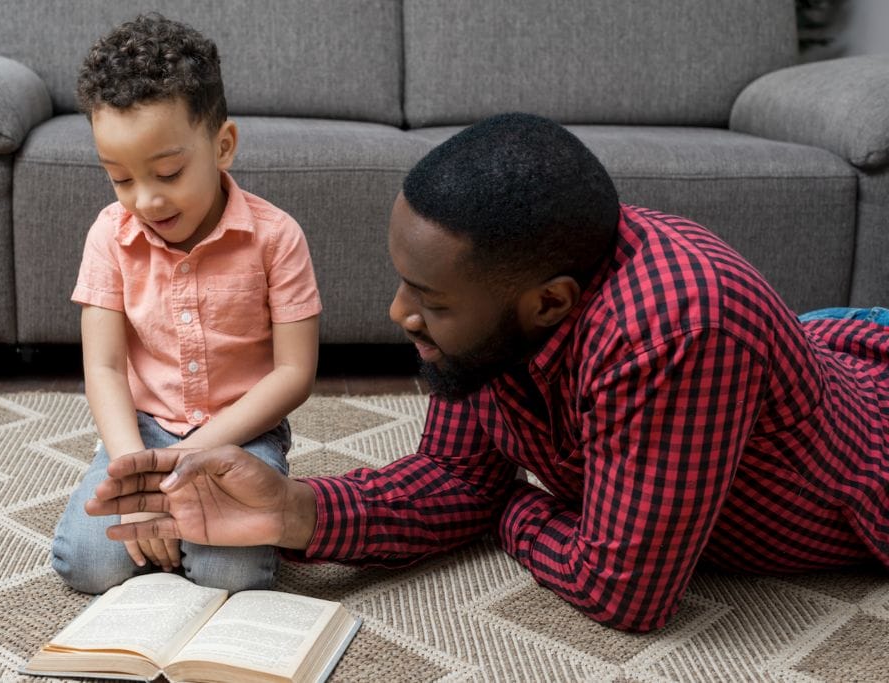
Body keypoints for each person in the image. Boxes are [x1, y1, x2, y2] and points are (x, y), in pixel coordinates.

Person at [85, 113, 889, 632]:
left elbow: (624, 589)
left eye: (429, 300)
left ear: (549, 305)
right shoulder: (502, 313)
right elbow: (451, 477)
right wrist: (292, 511)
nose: (400, 314)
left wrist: (510, 507)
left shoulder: (675, 338)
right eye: (405, 282)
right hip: (811, 356)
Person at [50, 13, 322, 594]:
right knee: (88, 564)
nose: (145, 199)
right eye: (119, 179)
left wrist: (187, 462)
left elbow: (294, 372)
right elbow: (102, 366)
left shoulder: (277, 237)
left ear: (222, 145)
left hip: (239, 435)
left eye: (168, 172)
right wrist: (135, 475)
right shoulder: (109, 235)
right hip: (141, 434)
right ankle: (164, 528)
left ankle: (183, 535)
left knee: (233, 575)